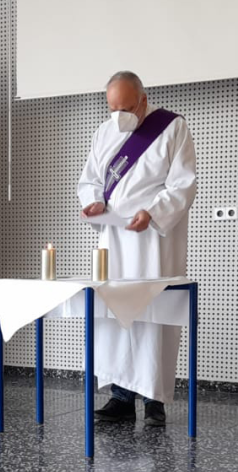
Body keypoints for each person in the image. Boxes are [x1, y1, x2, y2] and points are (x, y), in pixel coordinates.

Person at [77, 71, 196, 426]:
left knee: (154, 315)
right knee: (116, 315)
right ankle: (121, 397)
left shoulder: (172, 127)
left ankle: (154, 401)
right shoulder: (104, 132)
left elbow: (182, 184)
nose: (120, 116)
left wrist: (153, 213)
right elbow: (90, 180)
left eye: (127, 109)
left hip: (154, 242)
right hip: (115, 240)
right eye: (113, 109)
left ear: (143, 100)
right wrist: (94, 202)